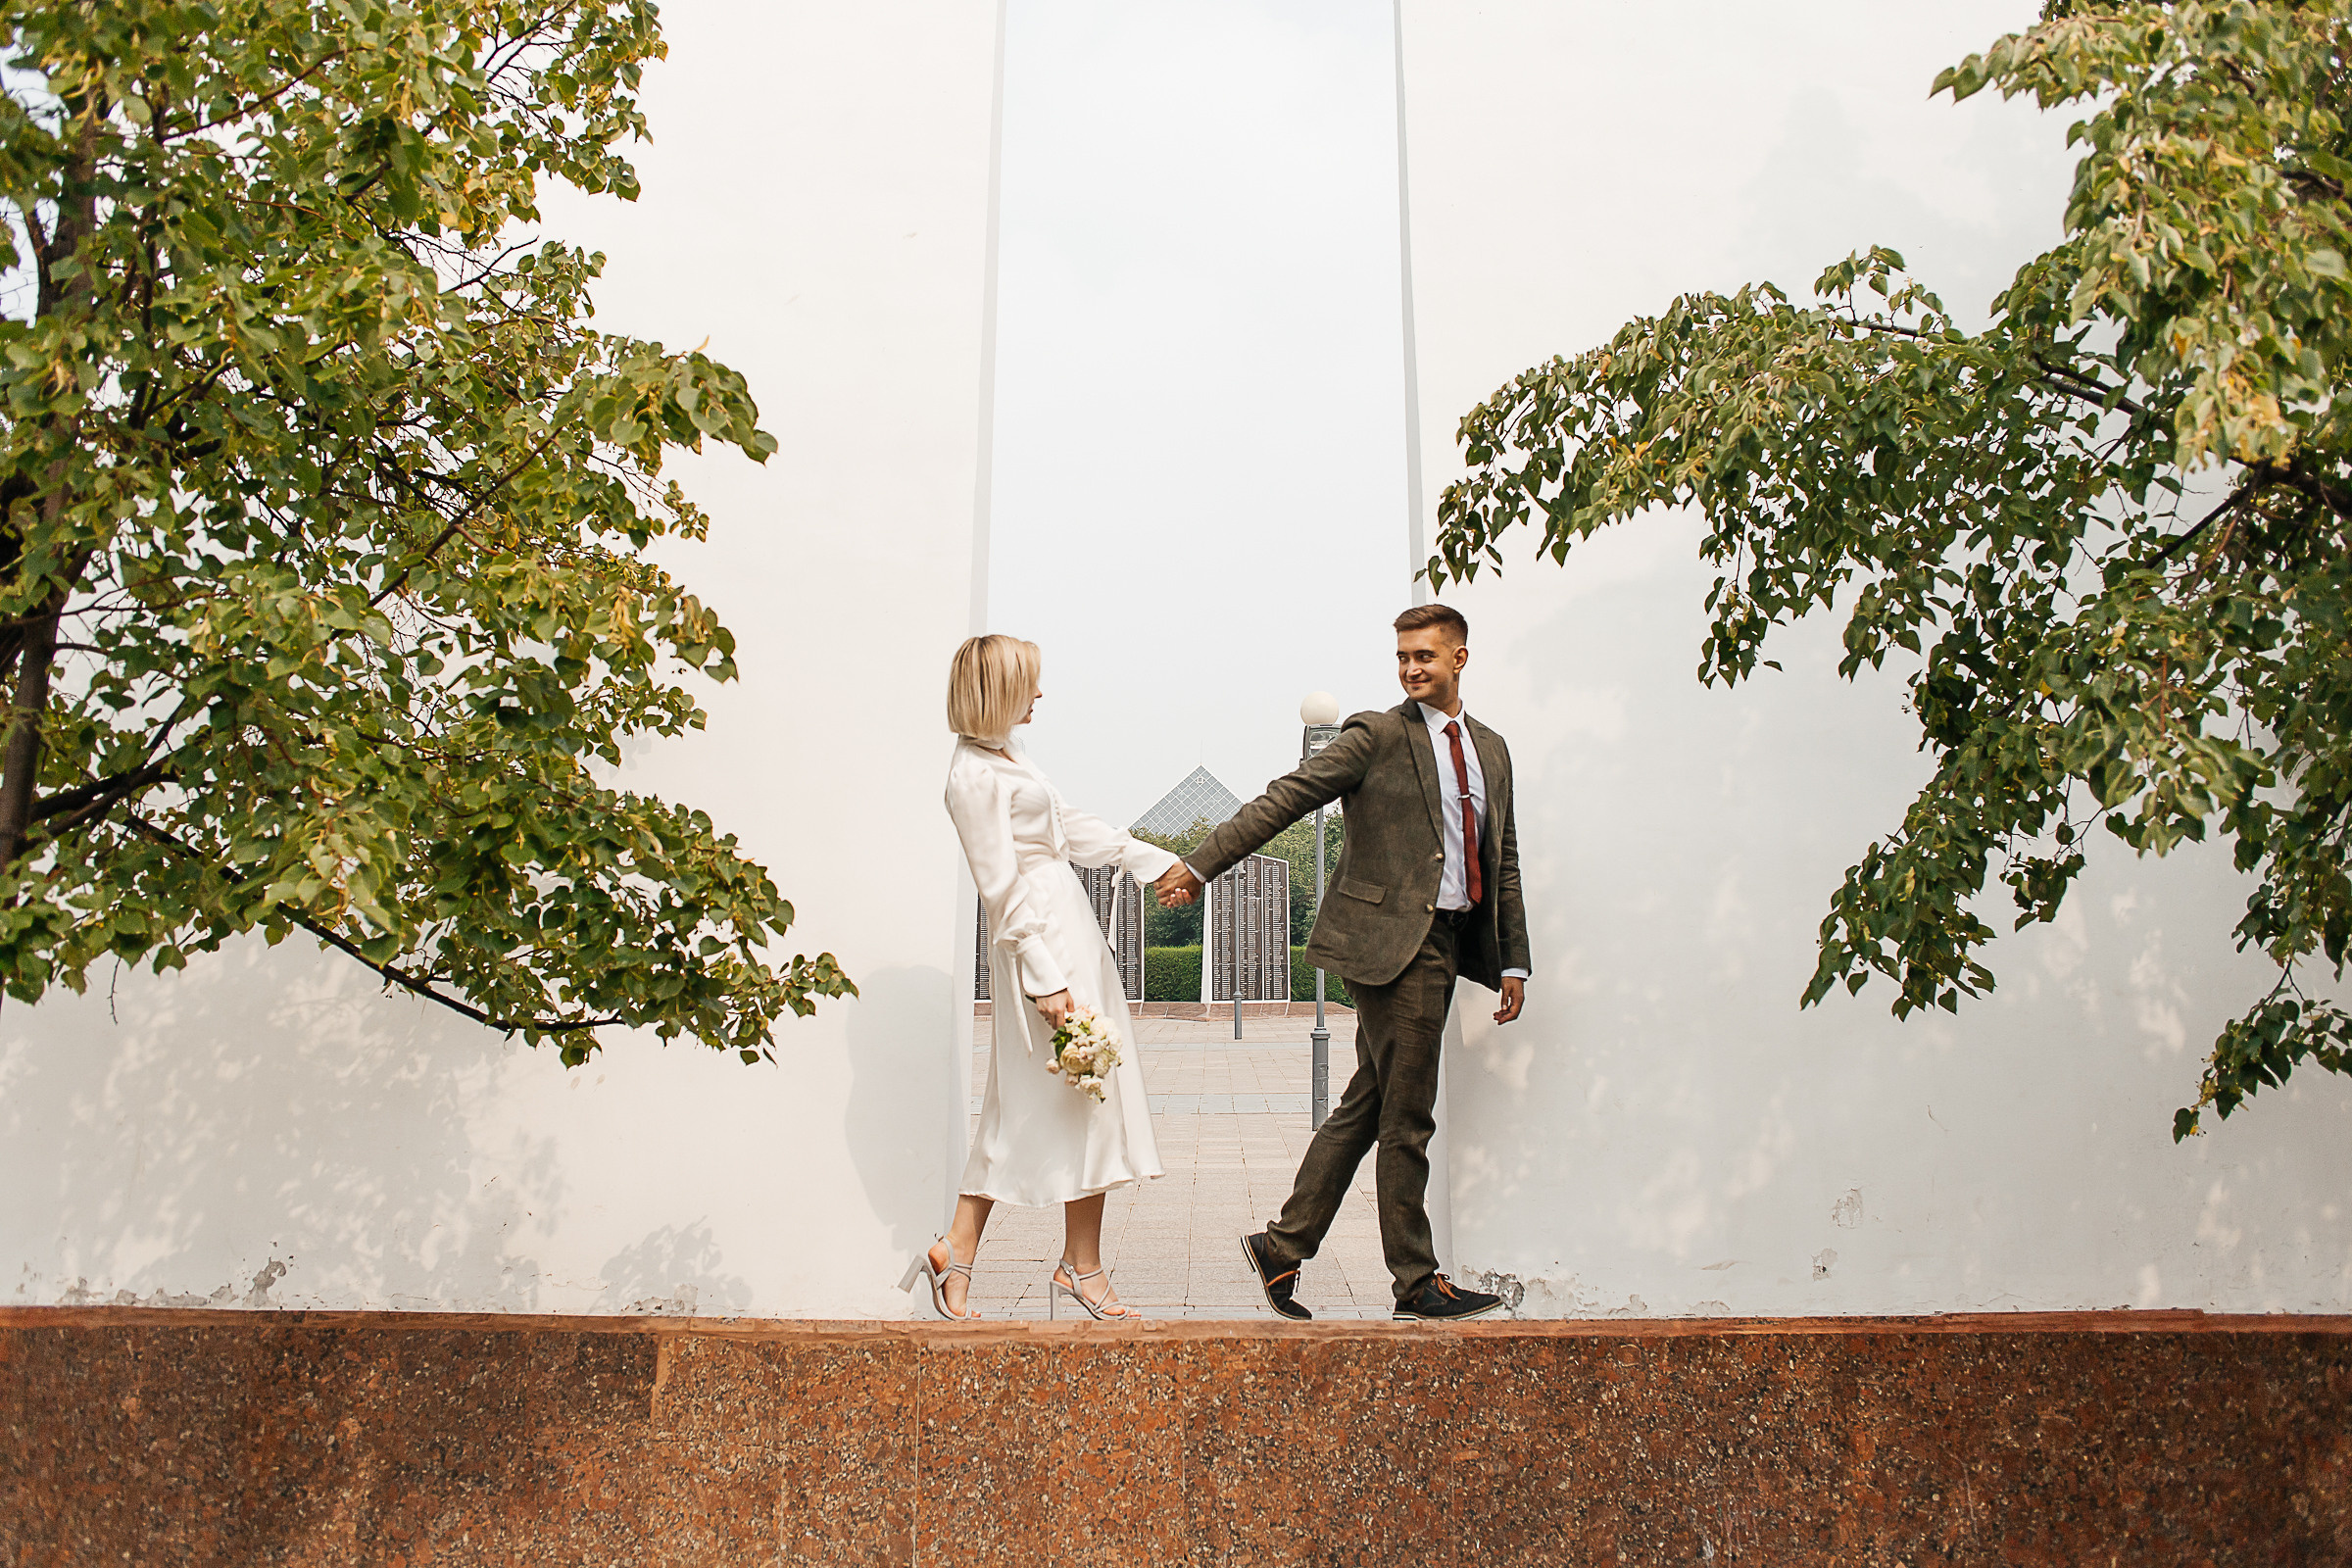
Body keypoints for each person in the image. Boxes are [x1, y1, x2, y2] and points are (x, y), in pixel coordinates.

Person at [1157, 604, 1530, 1322]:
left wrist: (1512, 959)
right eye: (1402, 656)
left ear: (1459, 657)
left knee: (1370, 1104)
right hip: (1393, 947)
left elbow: (1501, 858)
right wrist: (1201, 865)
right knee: (1408, 1117)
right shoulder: (1377, 735)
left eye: (1425, 655)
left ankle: (1281, 1245)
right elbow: (1286, 799)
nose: (1411, 667)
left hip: (1451, 942)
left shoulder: (1491, 749)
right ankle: (1415, 1282)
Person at [909, 633, 1193, 1321]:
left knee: (1062, 1096)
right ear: (997, 691)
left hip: (1066, 925)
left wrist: (1147, 859)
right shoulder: (972, 777)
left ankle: (966, 1249)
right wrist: (1044, 979)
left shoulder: (1008, 756)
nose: (1040, 695)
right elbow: (998, 886)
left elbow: (1066, 826)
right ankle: (1077, 1268)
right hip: (1040, 940)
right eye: (1029, 683)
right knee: (1076, 1091)